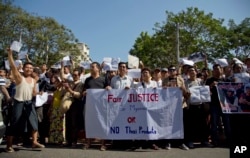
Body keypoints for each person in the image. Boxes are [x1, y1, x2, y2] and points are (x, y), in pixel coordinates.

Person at [5, 48, 45, 153]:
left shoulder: (33, 80)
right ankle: (9, 145)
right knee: (14, 123)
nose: (29, 69)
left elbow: (32, 93)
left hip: (29, 103)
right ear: (24, 69)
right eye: (27, 67)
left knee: (34, 122)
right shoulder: (19, 77)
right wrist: (10, 54)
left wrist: (38, 93)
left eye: (31, 68)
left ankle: (34, 142)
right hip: (19, 103)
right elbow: (13, 67)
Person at [82, 62, 109, 151]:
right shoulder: (87, 80)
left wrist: (108, 88)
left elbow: (110, 89)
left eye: (93, 67)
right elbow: (84, 91)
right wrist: (85, 93)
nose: (91, 68)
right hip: (90, 106)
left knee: (102, 123)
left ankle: (103, 144)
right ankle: (88, 143)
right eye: (90, 67)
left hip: (101, 106)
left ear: (98, 69)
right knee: (89, 123)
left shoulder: (104, 79)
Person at [162, 65, 190, 150]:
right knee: (169, 124)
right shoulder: (165, 80)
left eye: (173, 70)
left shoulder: (181, 79)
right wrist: (164, 89)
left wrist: (183, 89)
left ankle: (181, 143)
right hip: (169, 105)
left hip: (180, 105)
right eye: (170, 70)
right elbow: (162, 94)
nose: (171, 71)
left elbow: (186, 93)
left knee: (181, 125)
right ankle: (168, 142)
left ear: (175, 71)